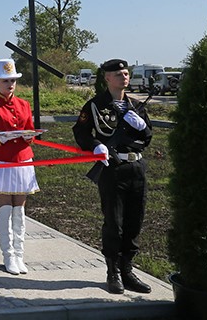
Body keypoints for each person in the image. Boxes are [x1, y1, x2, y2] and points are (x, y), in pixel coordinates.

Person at [73, 58, 153, 295]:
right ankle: (113, 272)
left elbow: (147, 139)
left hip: (136, 168)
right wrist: (96, 145)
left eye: (126, 74)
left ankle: (127, 270)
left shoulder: (136, 106)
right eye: (118, 75)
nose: (124, 77)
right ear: (107, 78)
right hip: (112, 168)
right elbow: (80, 132)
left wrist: (142, 127)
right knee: (114, 223)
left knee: (134, 221)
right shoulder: (95, 105)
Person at [0, 59, 39, 275]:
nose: (10, 84)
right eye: (5, 81)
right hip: (1, 160)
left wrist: (29, 135)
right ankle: (8, 255)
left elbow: (30, 131)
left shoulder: (24, 104)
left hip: (22, 159)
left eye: (12, 80)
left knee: (20, 209)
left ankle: (20, 254)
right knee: (5, 207)